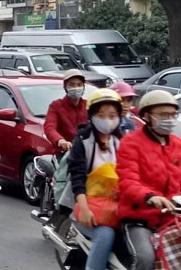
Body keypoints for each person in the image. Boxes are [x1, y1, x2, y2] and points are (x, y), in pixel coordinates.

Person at [117, 90, 181, 270]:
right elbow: (127, 180)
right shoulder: (131, 142)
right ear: (147, 116)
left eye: (172, 114)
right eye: (163, 115)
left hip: (171, 216)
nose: (169, 119)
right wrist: (150, 197)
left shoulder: (177, 143)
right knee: (145, 259)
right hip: (139, 218)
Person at [68, 89, 124, 270]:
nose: (107, 119)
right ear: (91, 116)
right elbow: (77, 179)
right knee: (105, 235)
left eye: (112, 115)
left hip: (118, 207)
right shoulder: (83, 141)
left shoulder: (121, 141)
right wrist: (84, 210)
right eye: (101, 115)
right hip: (88, 207)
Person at [44, 69, 88, 152]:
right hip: (64, 153)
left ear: (83, 86)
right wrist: (61, 141)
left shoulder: (88, 106)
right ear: (65, 86)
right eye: (72, 85)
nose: (76, 88)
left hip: (86, 152)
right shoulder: (56, 106)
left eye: (79, 85)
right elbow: (49, 128)